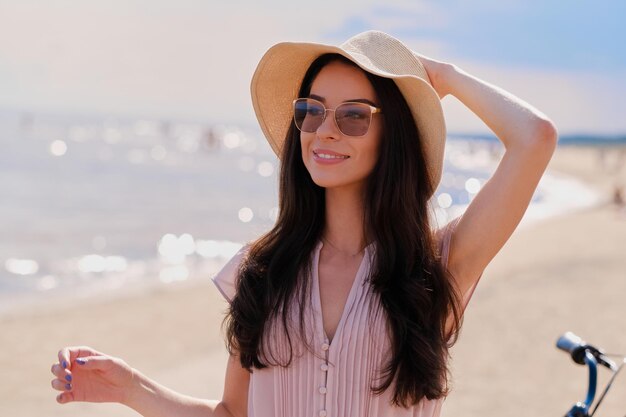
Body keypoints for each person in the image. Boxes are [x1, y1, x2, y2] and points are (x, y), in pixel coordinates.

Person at [50, 31, 558, 417]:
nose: (325, 130)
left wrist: (438, 77)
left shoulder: (436, 269)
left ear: (393, 135)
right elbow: (232, 413)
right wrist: (130, 390)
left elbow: (534, 137)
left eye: (354, 116)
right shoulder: (261, 270)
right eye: (310, 111)